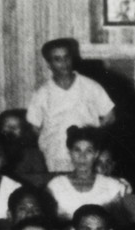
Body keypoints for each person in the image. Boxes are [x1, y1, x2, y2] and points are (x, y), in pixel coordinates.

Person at [27, 39, 115, 173]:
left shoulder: (90, 86)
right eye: (57, 59)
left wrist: (93, 134)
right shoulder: (42, 93)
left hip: (86, 153)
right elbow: (34, 127)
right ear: (49, 64)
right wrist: (51, 140)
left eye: (66, 57)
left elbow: (110, 116)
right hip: (57, 155)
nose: (64, 63)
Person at [47, 127, 131, 221]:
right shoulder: (55, 186)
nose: (82, 157)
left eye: (89, 151)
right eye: (77, 150)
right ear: (70, 153)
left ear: (96, 154)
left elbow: (121, 223)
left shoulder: (112, 186)